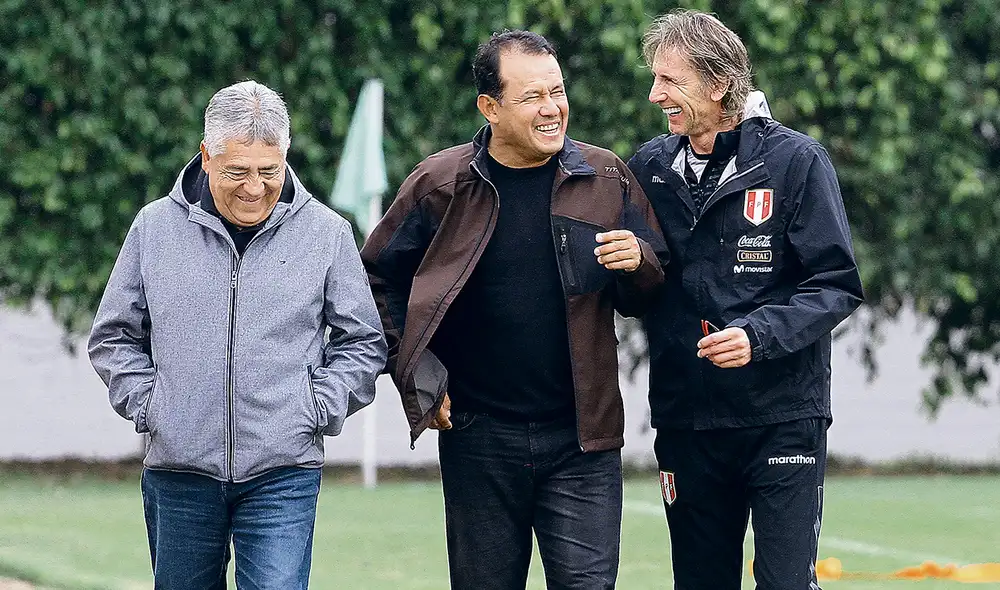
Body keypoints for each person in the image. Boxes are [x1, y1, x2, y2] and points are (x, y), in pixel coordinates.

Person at [361, 30, 667, 590]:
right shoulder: (440, 185)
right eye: (532, 97)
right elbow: (375, 279)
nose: (552, 108)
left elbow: (651, 290)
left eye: (558, 91)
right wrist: (417, 372)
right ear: (490, 107)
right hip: (478, 438)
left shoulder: (605, 177)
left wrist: (639, 261)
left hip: (583, 442)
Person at [88, 80, 387, 589]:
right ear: (206, 157)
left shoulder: (327, 233)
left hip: (284, 470)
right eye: (237, 172)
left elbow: (362, 342)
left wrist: (315, 408)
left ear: (285, 157)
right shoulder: (154, 228)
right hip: (179, 471)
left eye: (269, 171)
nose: (255, 188)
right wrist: (153, 406)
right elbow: (113, 337)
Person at [628, 9, 865, 589]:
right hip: (687, 420)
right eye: (655, 78)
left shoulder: (796, 162)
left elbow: (835, 283)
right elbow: (635, 298)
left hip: (781, 417)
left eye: (670, 80)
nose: (655, 94)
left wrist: (757, 336)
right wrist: (630, 267)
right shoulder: (648, 168)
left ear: (718, 84)